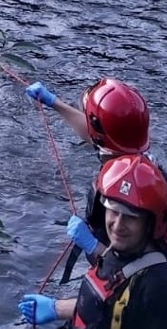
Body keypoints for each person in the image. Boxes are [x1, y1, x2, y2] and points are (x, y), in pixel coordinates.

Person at [18, 153, 167, 329]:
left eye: (130, 216)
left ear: (150, 223)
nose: (117, 225)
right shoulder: (121, 252)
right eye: (113, 211)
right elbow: (114, 307)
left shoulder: (162, 287)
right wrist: (56, 308)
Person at [25, 77, 153, 263]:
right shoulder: (133, 151)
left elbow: (133, 270)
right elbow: (98, 134)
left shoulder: (129, 191)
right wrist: (54, 102)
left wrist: (93, 246)